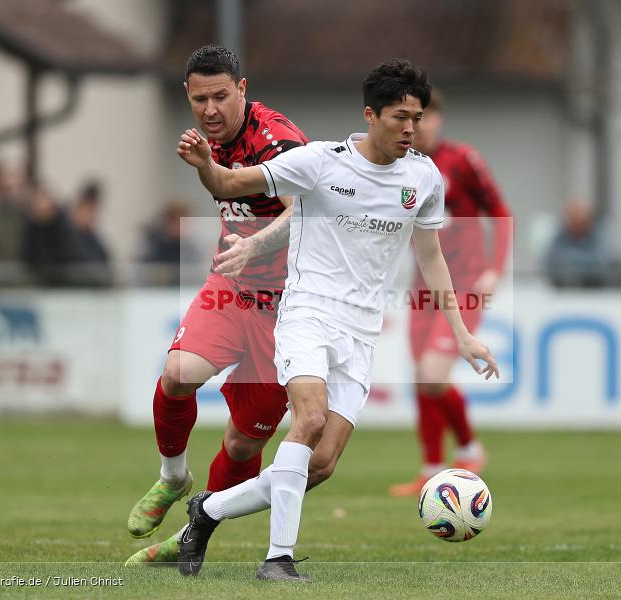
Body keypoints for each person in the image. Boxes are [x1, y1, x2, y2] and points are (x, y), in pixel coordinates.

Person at [172, 59, 498, 582]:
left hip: (362, 331)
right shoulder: (321, 161)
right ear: (371, 115)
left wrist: (461, 333)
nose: (410, 128)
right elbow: (233, 183)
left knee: (319, 465)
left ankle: (207, 511)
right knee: (310, 418)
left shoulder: (424, 176)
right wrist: (205, 166)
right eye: (399, 117)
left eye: (416, 117)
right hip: (306, 312)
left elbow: (431, 256)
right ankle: (277, 559)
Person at [125, 45, 309, 558]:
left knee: (244, 444)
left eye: (221, 96)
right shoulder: (208, 140)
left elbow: (303, 212)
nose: (210, 109)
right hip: (232, 287)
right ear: (188, 96)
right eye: (200, 99)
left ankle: (191, 534)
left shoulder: (278, 139)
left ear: (243, 90)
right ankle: (171, 477)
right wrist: (206, 164)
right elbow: (225, 187)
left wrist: (254, 243)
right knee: (179, 372)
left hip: (290, 308)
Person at [388, 88, 511, 497]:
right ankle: (431, 468)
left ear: (437, 119)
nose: (417, 126)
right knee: (422, 381)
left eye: (424, 117)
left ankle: (471, 449)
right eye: (410, 118)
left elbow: (500, 212)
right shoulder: (398, 165)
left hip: (465, 284)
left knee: (431, 374)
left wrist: (495, 270)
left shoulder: (462, 160)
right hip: (421, 287)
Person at [544, 198, 618, 288]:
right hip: (563, 291)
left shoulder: (600, 234)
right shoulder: (560, 234)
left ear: (588, 220)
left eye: (580, 222)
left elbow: (601, 261)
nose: (576, 226)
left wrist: (567, 259)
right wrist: (584, 261)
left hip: (596, 291)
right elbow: (549, 261)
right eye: (572, 221)